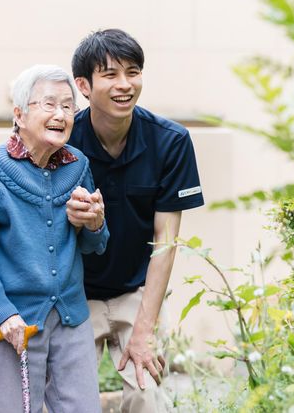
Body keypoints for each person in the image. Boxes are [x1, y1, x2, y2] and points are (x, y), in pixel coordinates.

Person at [67, 29, 204, 412]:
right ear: (84, 85)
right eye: (110, 74)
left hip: (138, 292)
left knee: (148, 394)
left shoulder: (171, 141)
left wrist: (145, 330)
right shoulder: (63, 143)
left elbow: (165, 242)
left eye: (133, 72)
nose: (124, 84)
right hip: (75, 293)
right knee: (67, 400)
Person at [0, 64, 109, 413]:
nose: (61, 114)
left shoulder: (78, 165)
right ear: (19, 115)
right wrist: (3, 314)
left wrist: (95, 224)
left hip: (70, 317)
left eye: (68, 106)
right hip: (13, 323)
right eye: (49, 104)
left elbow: (94, 245)